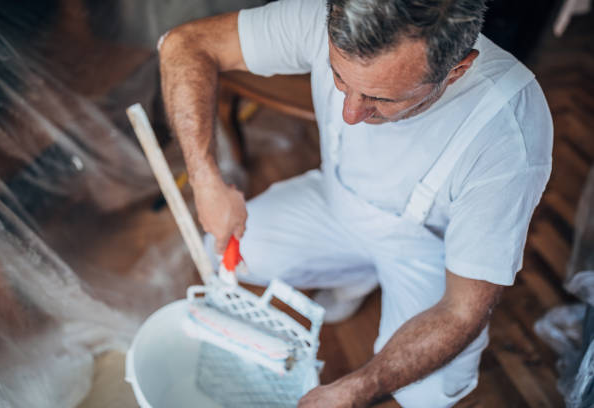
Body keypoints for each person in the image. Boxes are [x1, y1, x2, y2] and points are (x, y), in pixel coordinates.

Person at [158, 0, 553, 406]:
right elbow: (184, 45)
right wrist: (205, 178)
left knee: (426, 394)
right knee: (231, 253)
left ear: (457, 71)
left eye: (380, 99)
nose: (350, 113)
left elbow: (461, 311)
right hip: (337, 201)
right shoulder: (325, 15)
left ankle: (362, 276)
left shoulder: (509, 132)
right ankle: (354, 276)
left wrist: (358, 388)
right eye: (339, 77)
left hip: (425, 251)